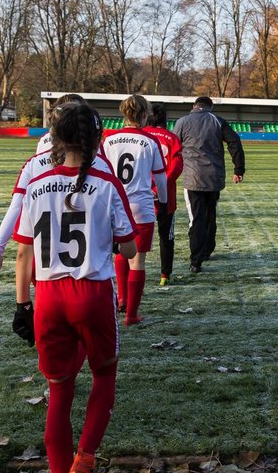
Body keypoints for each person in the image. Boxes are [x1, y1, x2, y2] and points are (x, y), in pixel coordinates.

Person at [13, 102, 137, 473]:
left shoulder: (37, 182)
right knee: (104, 376)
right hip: (92, 291)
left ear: (56, 138)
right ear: (96, 138)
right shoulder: (104, 182)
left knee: (59, 394)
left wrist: (22, 305)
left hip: (47, 295)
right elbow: (130, 247)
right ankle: (84, 460)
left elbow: (23, 252)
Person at [0, 93, 88, 280]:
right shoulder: (97, 158)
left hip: (44, 249)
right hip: (85, 256)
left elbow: (17, 205)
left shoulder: (39, 154)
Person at [100, 95, 167, 323]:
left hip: (113, 204)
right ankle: (131, 314)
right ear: (145, 114)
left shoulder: (108, 140)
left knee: (120, 251)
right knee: (138, 259)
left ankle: (121, 299)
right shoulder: (150, 141)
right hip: (141, 205)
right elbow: (160, 177)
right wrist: (165, 203)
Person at [173, 95, 245, 273]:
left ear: (194, 106)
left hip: (192, 178)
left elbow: (173, 147)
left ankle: (196, 260)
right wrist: (238, 169)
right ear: (210, 107)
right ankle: (207, 250)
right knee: (210, 213)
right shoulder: (217, 120)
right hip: (214, 177)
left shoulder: (182, 122)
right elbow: (234, 142)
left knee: (196, 218)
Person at [143, 102, 183, 287]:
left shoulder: (141, 136)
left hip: (140, 194)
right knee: (166, 236)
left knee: (134, 234)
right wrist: (161, 185)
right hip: (166, 195)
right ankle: (165, 275)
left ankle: (133, 271)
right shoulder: (172, 138)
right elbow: (176, 167)